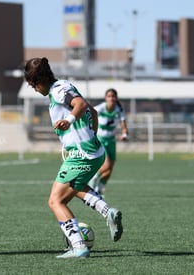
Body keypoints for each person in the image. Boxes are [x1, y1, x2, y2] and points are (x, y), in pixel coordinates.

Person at [24, 57, 123, 259]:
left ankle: (78, 246)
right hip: (94, 151)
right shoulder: (65, 85)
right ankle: (107, 212)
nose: (34, 88)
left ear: (40, 79)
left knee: (55, 201)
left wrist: (69, 121)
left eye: (33, 84)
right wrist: (91, 137)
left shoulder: (57, 90)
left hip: (81, 154)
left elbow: (80, 104)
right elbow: (93, 112)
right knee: (75, 187)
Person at [88, 88, 128, 196]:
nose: (111, 98)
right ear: (106, 98)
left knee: (110, 169)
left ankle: (99, 188)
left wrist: (125, 134)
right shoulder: (101, 108)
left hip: (111, 141)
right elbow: (90, 112)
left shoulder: (119, 110)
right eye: (109, 96)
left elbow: (124, 126)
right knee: (106, 165)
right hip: (100, 139)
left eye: (113, 96)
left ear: (116, 98)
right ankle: (93, 177)